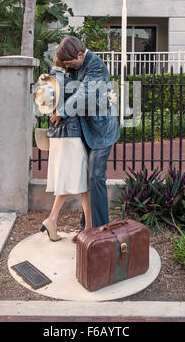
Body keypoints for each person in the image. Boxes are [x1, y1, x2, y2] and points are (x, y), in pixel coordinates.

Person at [39, 36, 120, 236]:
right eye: (66, 64)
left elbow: (84, 94)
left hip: (101, 132)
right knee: (85, 178)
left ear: (80, 54)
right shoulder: (74, 63)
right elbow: (62, 79)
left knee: (95, 177)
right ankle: (87, 226)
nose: (69, 67)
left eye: (70, 63)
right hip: (84, 130)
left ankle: (100, 230)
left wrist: (61, 112)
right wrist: (47, 79)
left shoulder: (96, 65)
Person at [36, 55, 92, 241]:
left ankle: (52, 220)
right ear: (67, 63)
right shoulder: (68, 81)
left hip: (57, 137)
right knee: (84, 179)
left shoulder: (47, 81)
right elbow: (80, 103)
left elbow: (45, 104)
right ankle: (89, 228)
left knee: (67, 177)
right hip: (71, 136)